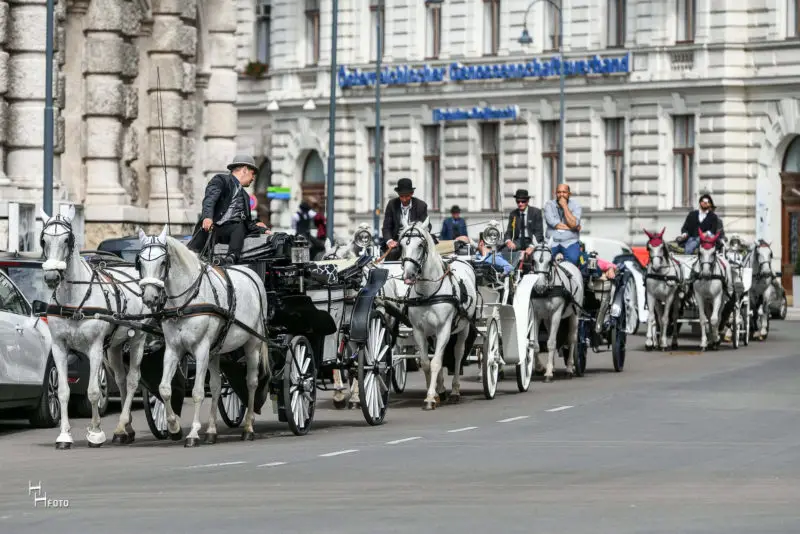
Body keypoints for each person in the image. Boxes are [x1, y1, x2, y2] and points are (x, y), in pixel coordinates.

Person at [187, 154, 269, 264]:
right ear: (244, 170)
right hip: (210, 229)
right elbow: (210, 199)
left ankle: (231, 257)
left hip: (229, 232)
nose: (253, 178)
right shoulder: (221, 180)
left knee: (240, 226)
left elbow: (247, 223)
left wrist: (263, 230)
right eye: (252, 173)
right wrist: (207, 217)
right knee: (189, 256)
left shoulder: (245, 196)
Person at [381, 178, 430, 261]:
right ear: (398, 194)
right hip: (397, 240)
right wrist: (389, 241)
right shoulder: (392, 204)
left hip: (415, 239)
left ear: (412, 194)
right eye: (401, 196)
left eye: (407, 196)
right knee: (392, 252)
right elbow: (386, 227)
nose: (404, 199)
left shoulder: (421, 205)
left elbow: (427, 226)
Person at [543, 183, 582, 265]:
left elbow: (574, 223)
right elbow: (554, 224)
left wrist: (564, 206)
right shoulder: (549, 205)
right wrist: (573, 227)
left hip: (570, 242)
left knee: (573, 261)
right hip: (551, 241)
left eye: (564, 192)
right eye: (559, 192)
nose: (561, 195)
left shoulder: (576, 205)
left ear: (569, 194)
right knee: (544, 261)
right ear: (555, 193)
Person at [504, 189, 544, 255]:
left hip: (531, 241)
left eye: (523, 201)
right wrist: (508, 241)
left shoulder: (536, 212)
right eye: (518, 201)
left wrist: (532, 246)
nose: (520, 204)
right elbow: (509, 231)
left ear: (527, 201)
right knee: (504, 252)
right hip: (517, 241)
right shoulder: (513, 214)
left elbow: (539, 233)